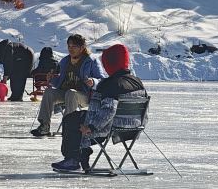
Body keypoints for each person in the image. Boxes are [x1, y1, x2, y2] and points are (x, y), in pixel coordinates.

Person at [52, 43, 147, 172]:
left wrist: (91, 127)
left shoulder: (110, 84)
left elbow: (109, 110)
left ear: (110, 62)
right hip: (133, 128)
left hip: (106, 128)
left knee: (70, 120)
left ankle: (73, 159)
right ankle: (81, 156)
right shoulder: (137, 81)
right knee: (78, 118)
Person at [31, 35, 103, 137]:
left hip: (85, 95)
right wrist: (51, 78)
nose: (70, 49)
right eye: (69, 46)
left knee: (71, 93)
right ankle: (44, 126)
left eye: (74, 46)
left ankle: (68, 126)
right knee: (49, 92)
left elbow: (102, 80)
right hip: (66, 93)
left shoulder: (91, 61)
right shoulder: (65, 61)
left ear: (82, 48)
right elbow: (59, 81)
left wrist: (93, 81)